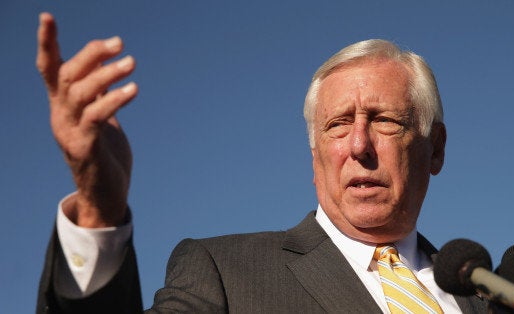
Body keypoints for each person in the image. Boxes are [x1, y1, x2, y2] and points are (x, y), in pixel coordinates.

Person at [36, 12, 487, 314]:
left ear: (436, 148)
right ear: (315, 158)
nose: (358, 145)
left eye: (384, 121)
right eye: (337, 125)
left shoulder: (490, 292)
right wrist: (100, 210)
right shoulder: (224, 272)